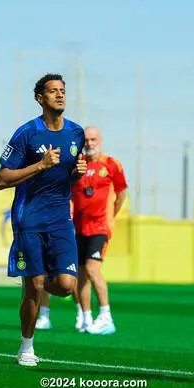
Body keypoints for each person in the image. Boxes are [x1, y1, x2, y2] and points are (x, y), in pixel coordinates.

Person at [0, 73, 86, 367]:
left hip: (61, 220)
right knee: (33, 286)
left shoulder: (76, 133)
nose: (60, 95)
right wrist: (40, 164)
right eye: (53, 91)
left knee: (65, 285)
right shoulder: (26, 133)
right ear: (40, 98)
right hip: (29, 220)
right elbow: (2, 179)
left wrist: (77, 172)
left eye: (63, 90)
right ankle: (26, 347)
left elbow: (68, 175)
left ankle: (36, 279)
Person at [35, 126, 127, 334]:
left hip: (100, 228)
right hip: (78, 228)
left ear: (100, 141)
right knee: (81, 275)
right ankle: (86, 317)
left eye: (93, 139)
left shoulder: (111, 164)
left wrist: (111, 214)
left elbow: (121, 193)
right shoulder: (77, 165)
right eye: (86, 140)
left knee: (93, 270)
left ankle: (106, 316)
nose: (90, 143)